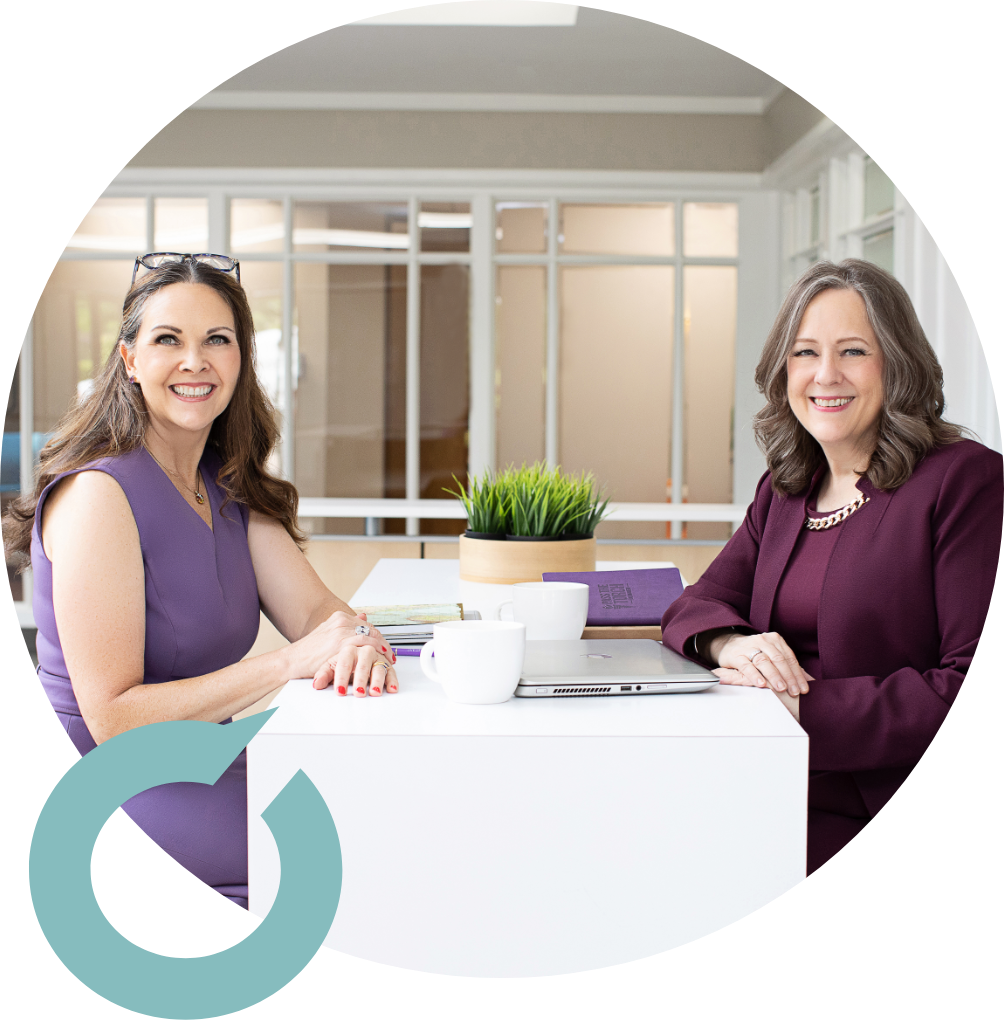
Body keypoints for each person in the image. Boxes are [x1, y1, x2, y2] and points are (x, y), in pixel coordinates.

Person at [4, 253, 401, 909]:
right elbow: (115, 720)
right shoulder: (98, 497)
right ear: (129, 359)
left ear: (241, 358)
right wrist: (288, 665)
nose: (196, 362)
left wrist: (355, 642)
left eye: (217, 339)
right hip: (115, 789)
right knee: (354, 846)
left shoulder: (226, 485)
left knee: (381, 806)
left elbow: (322, 616)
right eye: (168, 340)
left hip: (208, 764)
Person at [661, 258, 1003, 876]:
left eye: (852, 351)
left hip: (865, 799)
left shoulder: (966, 480)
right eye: (804, 353)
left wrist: (800, 707)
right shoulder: (788, 488)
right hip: (767, 774)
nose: (825, 375)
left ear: (896, 364)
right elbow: (696, 602)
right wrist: (729, 644)